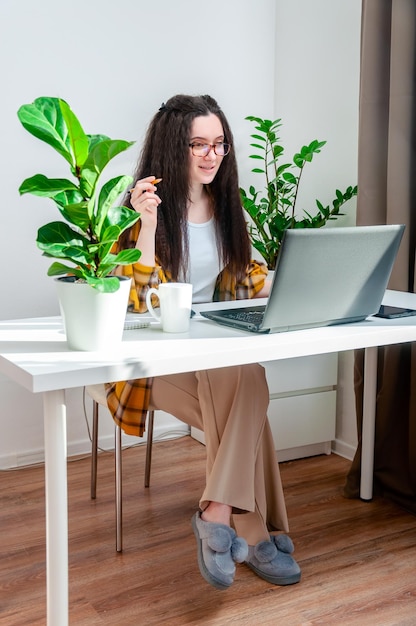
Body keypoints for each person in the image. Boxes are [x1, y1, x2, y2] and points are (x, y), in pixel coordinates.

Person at [106, 94, 301, 590]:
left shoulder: (225, 206)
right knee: (249, 395)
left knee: (245, 380)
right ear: (175, 147)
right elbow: (133, 305)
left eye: (220, 144)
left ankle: (217, 515)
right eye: (199, 144)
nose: (212, 155)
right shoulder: (138, 211)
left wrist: (303, 277)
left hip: (212, 352)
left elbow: (251, 278)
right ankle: (256, 533)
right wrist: (147, 227)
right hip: (150, 361)